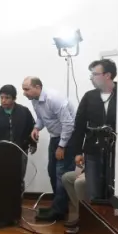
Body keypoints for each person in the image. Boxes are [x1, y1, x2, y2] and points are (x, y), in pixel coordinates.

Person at [65, 59, 118, 234]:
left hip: (116, 155)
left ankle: (113, 230)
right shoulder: (89, 97)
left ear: (107, 75)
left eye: (95, 74)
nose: (91, 78)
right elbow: (79, 126)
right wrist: (77, 152)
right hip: (93, 153)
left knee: (114, 191)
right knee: (93, 191)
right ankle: (93, 230)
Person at [22, 76, 75, 222]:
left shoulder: (54, 99)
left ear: (37, 87)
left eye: (27, 89)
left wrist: (62, 146)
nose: (24, 93)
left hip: (67, 139)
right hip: (55, 137)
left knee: (61, 175)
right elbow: (41, 118)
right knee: (52, 171)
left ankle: (58, 211)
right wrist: (36, 127)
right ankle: (59, 207)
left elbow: (69, 124)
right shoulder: (35, 100)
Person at [0, 84, 36, 150]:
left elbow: (32, 128)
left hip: (20, 150)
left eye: (7, 98)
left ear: (14, 98)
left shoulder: (24, 111)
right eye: (1, 97)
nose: (3, 100)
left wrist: (33, 144)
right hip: (0, 150)